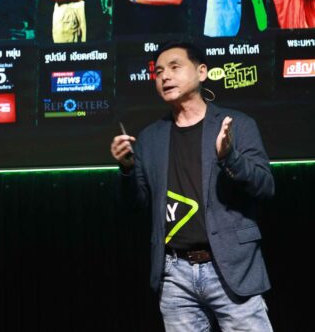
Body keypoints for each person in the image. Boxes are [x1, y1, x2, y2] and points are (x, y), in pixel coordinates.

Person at [111, 41, 274, 331]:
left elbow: (265, 187)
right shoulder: (150, 138)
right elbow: (135, 205)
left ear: (202, 72)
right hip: (175, 274)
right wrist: (126, 170)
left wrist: (230, 157)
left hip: (232, 266)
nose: (165, 76)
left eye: (174, 67)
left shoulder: (237, 124)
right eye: (159, 72)